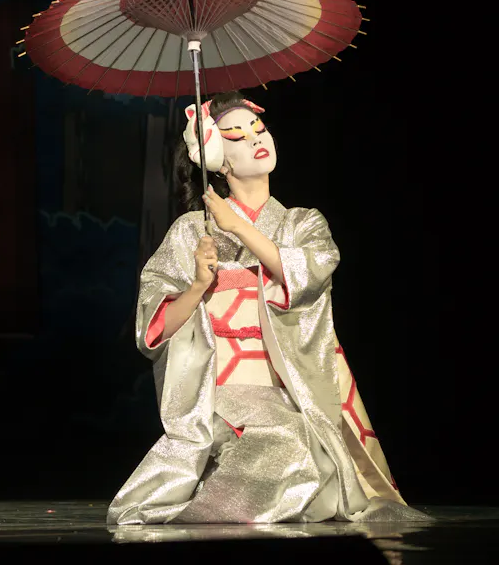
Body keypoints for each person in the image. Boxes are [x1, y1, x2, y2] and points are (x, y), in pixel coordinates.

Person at [107, 91, 429, 526]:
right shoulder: (190, 232)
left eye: (259, 129)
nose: (256, 139)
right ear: (218, 160)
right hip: (219, 393)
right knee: (289, 444)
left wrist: (236, 225)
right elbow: (153, 328)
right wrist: (200, 285)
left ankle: (220, 512)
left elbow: (307, 274)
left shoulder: (303, 223)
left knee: (318, 468)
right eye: (235, 137)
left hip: (285, 391)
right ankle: (198, 511)